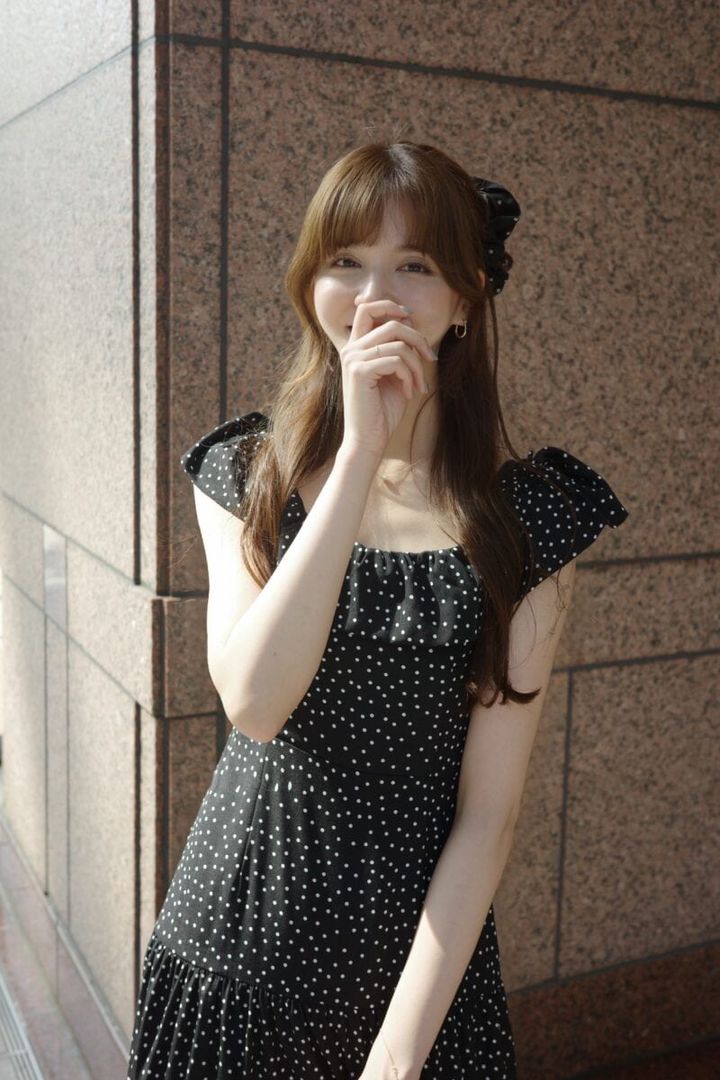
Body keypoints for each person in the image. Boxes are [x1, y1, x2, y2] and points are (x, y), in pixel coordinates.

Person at [126, 140, 629, 1079]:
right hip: (235, 952)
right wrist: (359, 454)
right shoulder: (248, 475)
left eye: (415, 265)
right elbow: (255, 703)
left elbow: (489, 816)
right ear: (310, 284)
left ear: (467, 300)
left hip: (416, 990)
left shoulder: (529, 523)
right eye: (347, 262)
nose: (375, 296)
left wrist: (397, 1059)